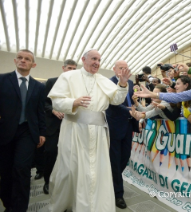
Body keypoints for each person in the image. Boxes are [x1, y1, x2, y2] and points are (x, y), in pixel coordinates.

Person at [45, 49, 131, 212]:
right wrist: (74, 102)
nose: (97, 62)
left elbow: (117, 99)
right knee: (71, 170)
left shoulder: (103, 80)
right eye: (93, 59)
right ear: (83, 59)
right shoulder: (68, 77)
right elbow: (56, 102)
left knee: (95, 171)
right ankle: (70, 203)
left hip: (98, 133)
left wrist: (123, 84)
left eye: (99, 60)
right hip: (74, 130)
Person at [0, 49, 46, 212]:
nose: (23, 60)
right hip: (5, 131)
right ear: (15, 61)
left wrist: (42, 132)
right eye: (19, 58)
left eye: (27, 59)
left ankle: (19, 208)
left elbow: (41, 111)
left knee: (21, 168)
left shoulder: (38, 87)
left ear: (33, 64)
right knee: (5, 171)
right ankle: (8, 204)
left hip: (27, 132)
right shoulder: (2, 80)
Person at [105, 60, 139, 209]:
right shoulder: (108, 83)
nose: (124, 70)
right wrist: (131, 111)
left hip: (128, 125)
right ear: (114, 69)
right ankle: (118, 194)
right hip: (114, 126)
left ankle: (110, 180)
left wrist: (136, 105)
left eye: (126, 68)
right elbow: (114, 104)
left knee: (125, 157)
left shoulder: (131, 83)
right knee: (114, 159)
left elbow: (130, 101)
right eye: (121, 68)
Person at [42, 59, 77, 195]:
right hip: (53, 126)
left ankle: (66, 185)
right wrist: (53, 110)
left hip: (72, 125)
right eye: (69, 68)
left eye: (74, 69)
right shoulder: (51, 82)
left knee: (69, 156)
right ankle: (47, 182)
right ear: (63, 68)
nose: (72, 71)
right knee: (51, 153)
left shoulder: (78, 86)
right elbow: (44, 103)